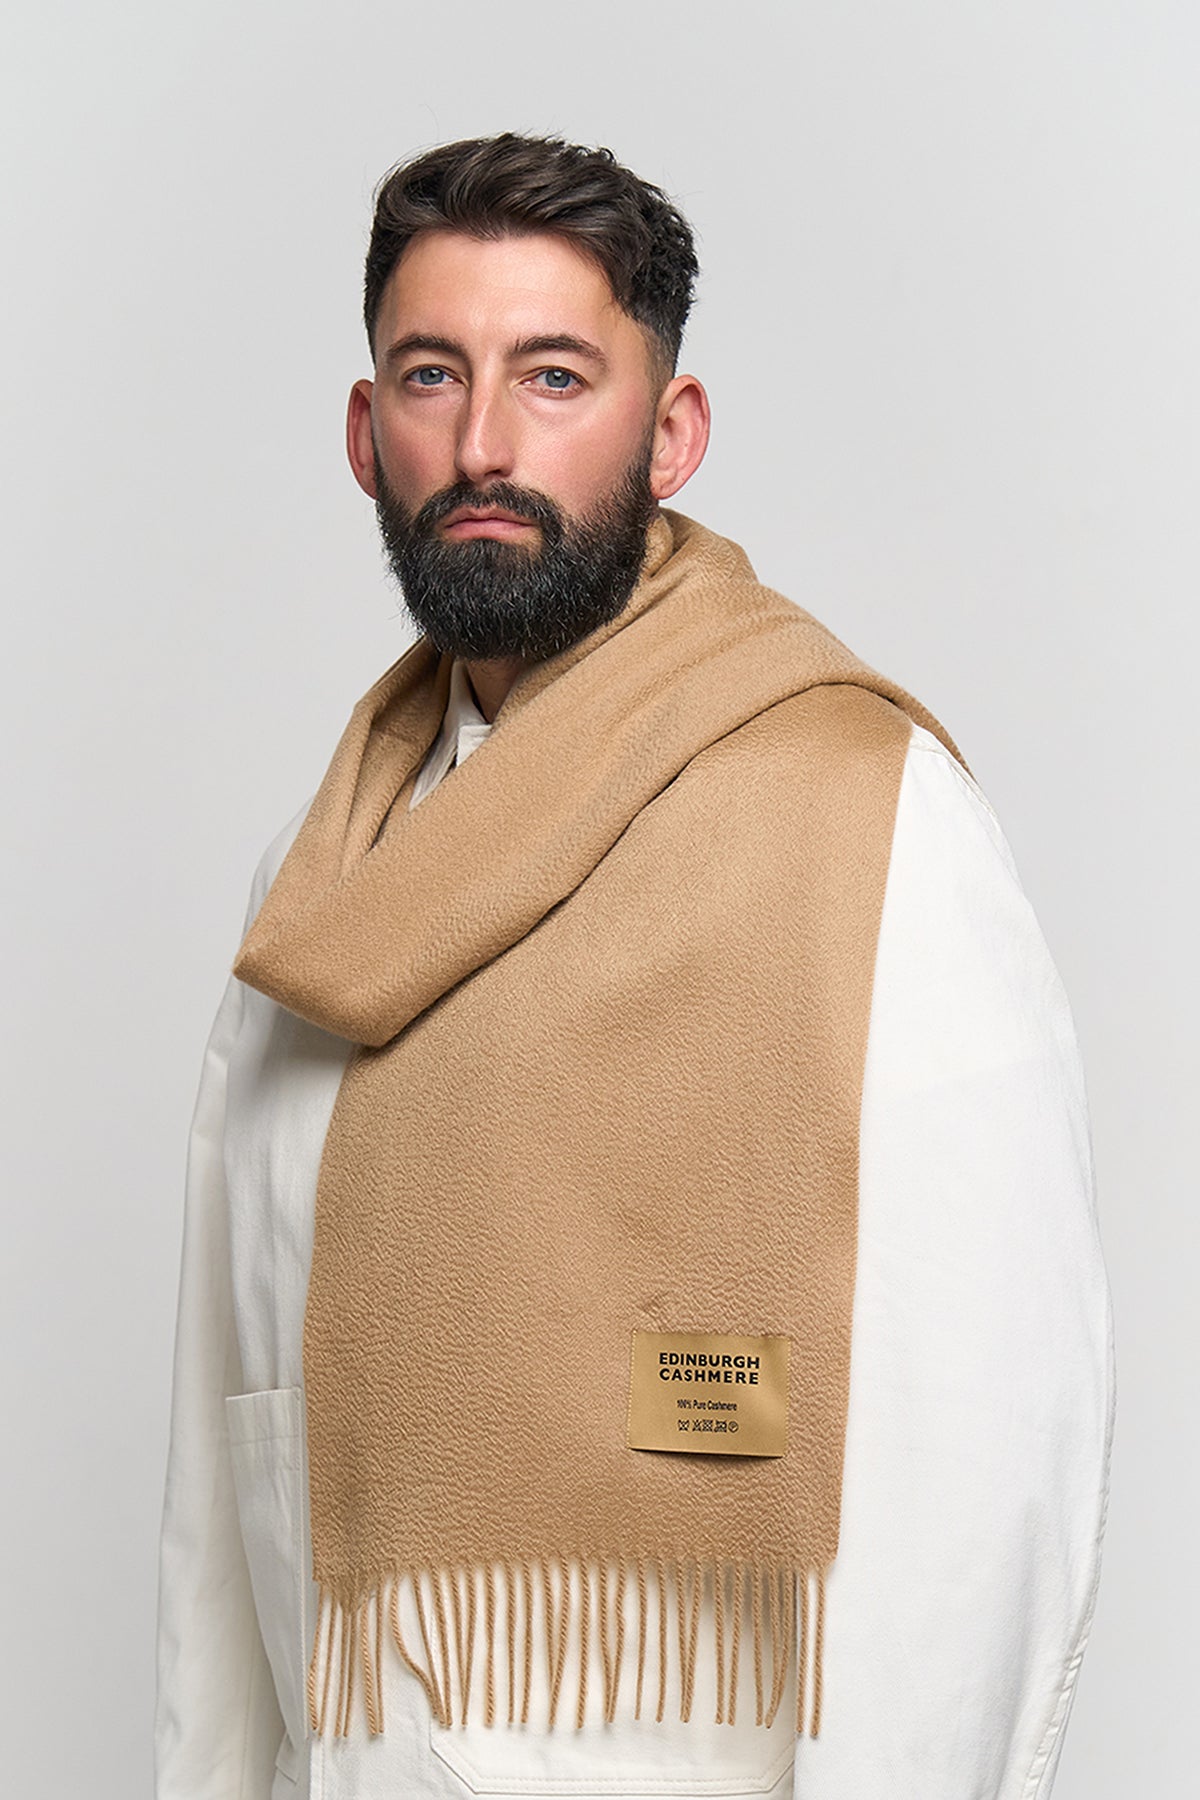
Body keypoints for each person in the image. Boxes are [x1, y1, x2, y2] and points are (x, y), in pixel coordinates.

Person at [154, 133, 1113, 1800]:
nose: (486, 443)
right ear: (367, 434)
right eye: (434, 375)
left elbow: (979, 1486)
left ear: (671, 434)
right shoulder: (316, 887)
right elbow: (230, 1492)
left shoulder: (867, 821)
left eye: (555, 376)